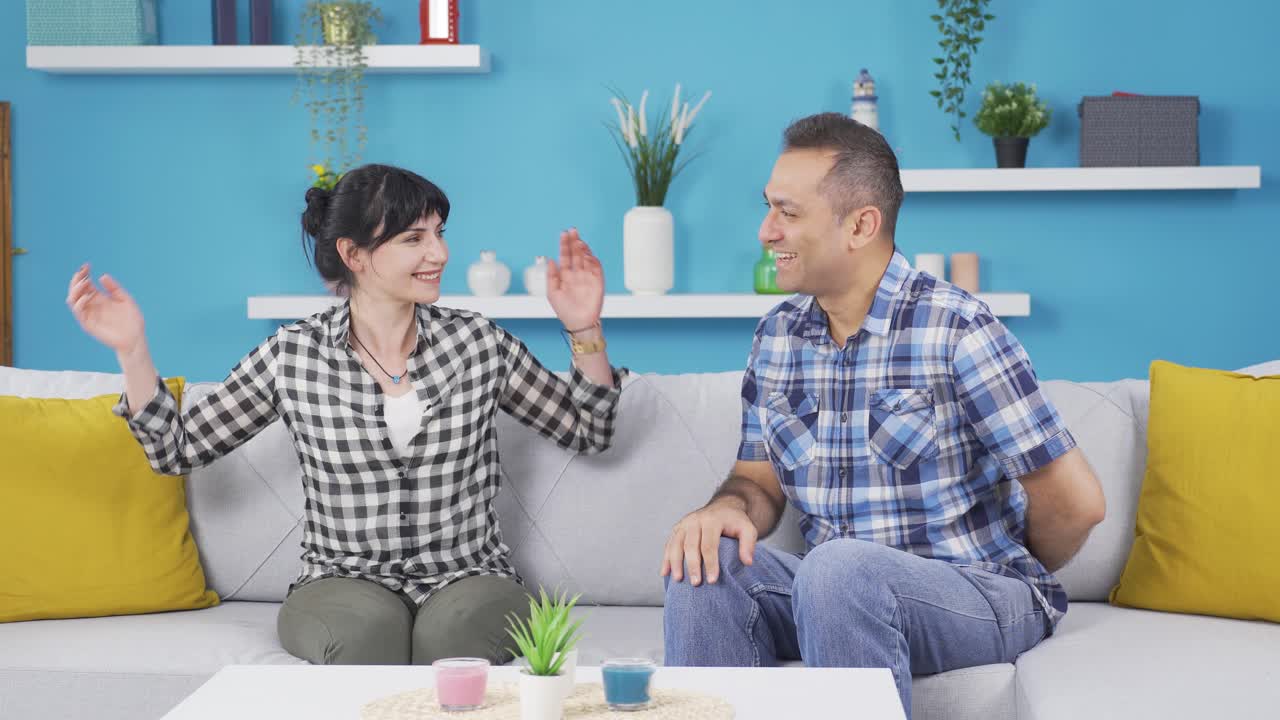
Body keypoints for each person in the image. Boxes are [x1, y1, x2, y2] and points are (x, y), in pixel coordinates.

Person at [66, 163, 625, 666]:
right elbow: (175, 451)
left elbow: (589, 430)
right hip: (340, 580)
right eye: (415, 238)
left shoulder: (478, 342)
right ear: (355, 255)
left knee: (452, 643)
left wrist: (583, 328)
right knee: (364, 641)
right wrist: (133, 352)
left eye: (439, 234)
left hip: (471, 577)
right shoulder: (293, 354)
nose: (439, 254)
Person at [660, 114, 1106, 717]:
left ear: (861, 225)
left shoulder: (957, 329)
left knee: (839, 570)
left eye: (788, 212)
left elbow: (1078, 502)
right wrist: (723, 510)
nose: (767, 231)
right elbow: (755, 481)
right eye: (768, 208)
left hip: (975, 590)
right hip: (833, 592)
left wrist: (1008, 560)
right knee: (703, 567)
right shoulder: (777, 337)